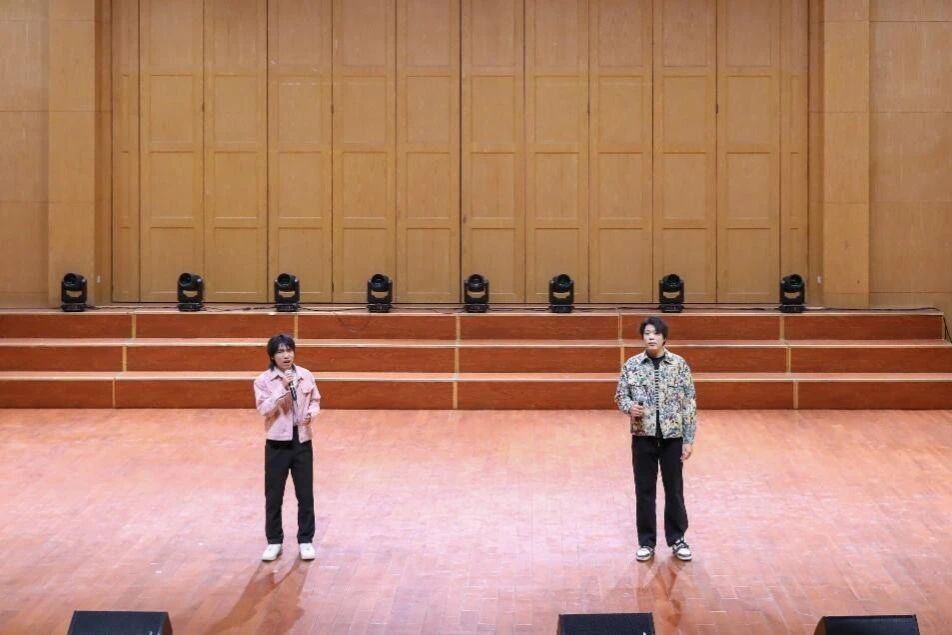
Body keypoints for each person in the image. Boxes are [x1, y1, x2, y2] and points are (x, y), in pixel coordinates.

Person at [615, 316, 697, 562]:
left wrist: (688, 438)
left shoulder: (679, 364)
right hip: (643, 437)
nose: (651, 337)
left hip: (672, 437)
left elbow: (689, 403)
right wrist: (629, 407)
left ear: (664, 338)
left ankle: (677, 539)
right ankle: (646, 542)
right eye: (647, 333)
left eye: (656, 333)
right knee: (644, 490)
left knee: (674, 490)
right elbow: (620, 396)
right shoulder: (632, 365)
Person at [253, 333, 321, 561]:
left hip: (302, 440)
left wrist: (311, 413)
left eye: (289, 350)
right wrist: (281, 388)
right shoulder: (263, 381)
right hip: (277, 444)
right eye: (281, 351)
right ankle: (274, 541)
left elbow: (315, 400)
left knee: (305, 494)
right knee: (274, 495)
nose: (286, 355)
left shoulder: (305, 375)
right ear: (272, 356)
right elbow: (264, 409)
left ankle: (305, 540)